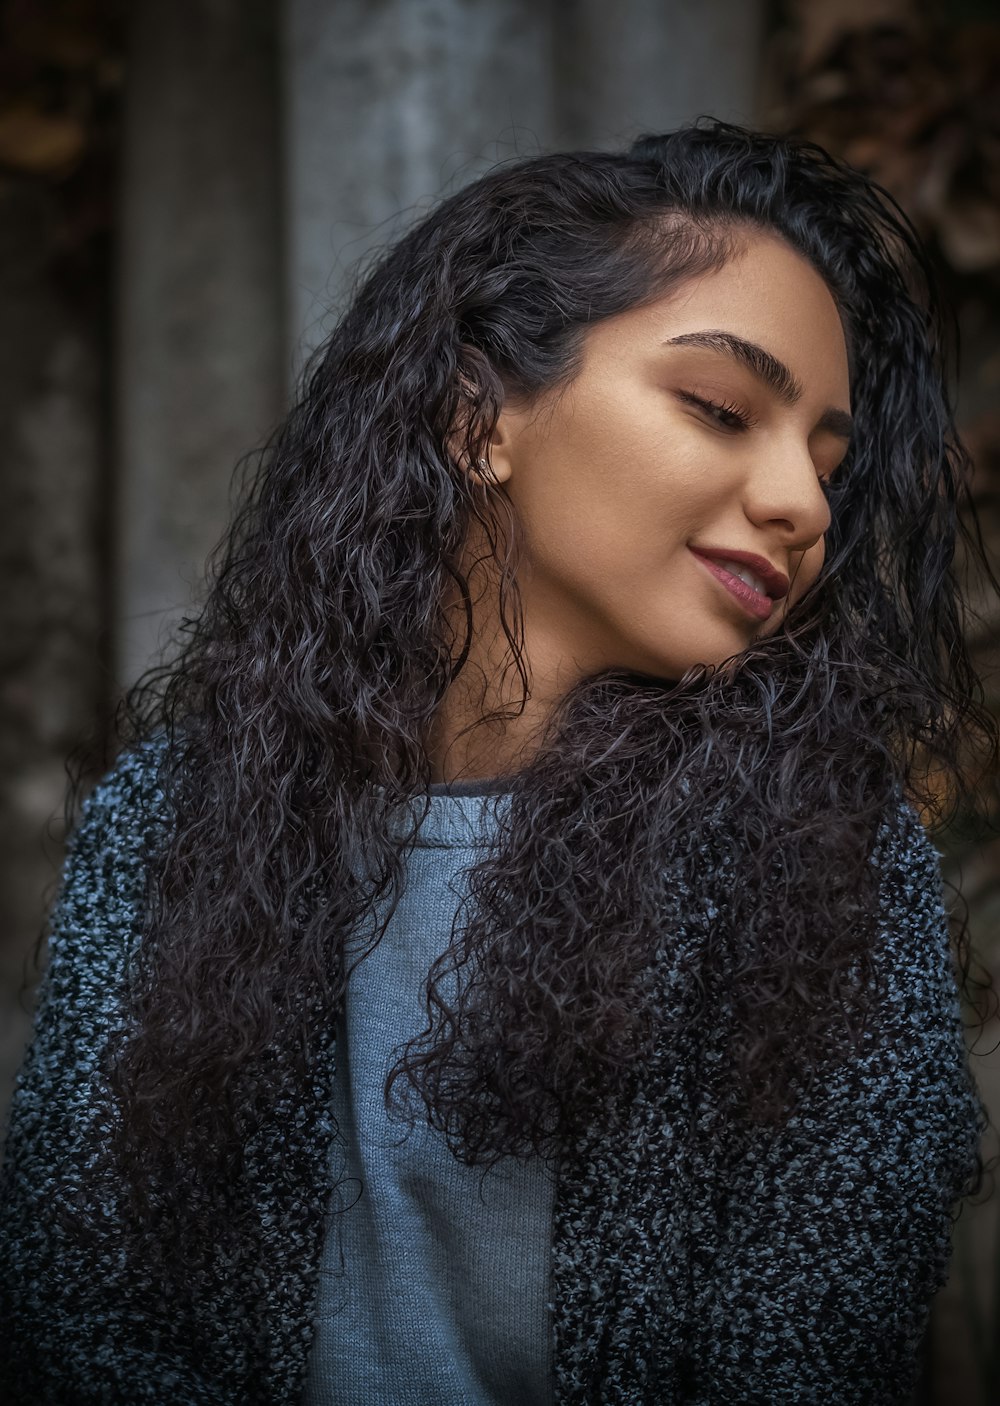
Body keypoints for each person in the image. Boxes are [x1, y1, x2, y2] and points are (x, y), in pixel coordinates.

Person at [0, 118, 995, 1405]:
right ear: (477, 419)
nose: (801, 503)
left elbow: (810, 1359)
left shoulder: (824, 870)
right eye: (720, 407)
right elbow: (77, 1317)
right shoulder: (166, 825)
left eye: (823, 458)